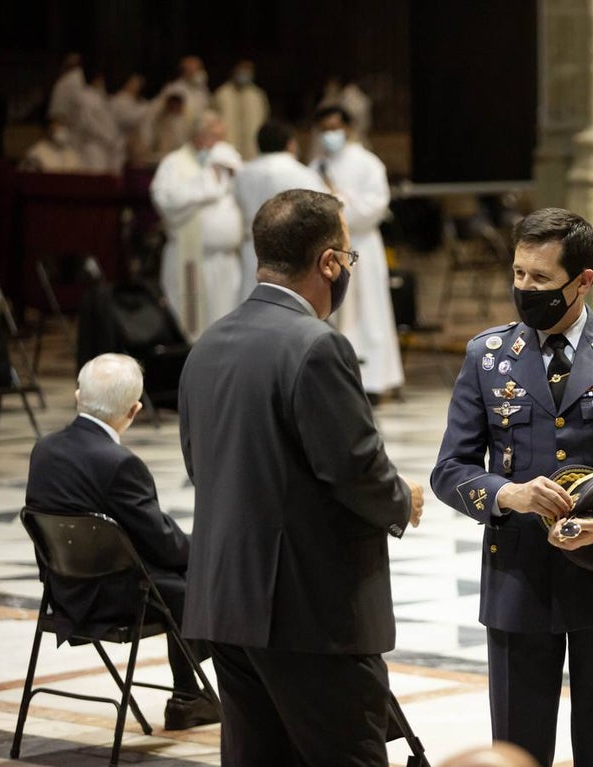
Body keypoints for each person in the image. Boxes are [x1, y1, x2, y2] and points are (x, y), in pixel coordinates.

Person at [430, 207, 593, 767]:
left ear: (583, 280)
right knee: (518, 748)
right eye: (519, 274)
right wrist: (509, 494)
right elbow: (450, 469)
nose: (525, 289)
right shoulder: (488, 356)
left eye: (541, 279)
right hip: (518, 578)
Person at [178, 188, 424, 766]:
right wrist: (400, 500)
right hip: (309, 612)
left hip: (226, 602)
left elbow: (200, 464)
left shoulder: (207, 343)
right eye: (349, 259)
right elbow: (354, 466)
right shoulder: (316, 345)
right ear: (330, 262)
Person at [25, 353, 218, 731]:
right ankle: (189, 695)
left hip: (61, 591)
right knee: (197, 580)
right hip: (110, 598)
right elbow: (162, 543)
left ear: (79, 396)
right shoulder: (117, 463)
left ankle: (190, 694)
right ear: (134, 411)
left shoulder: (44, 449)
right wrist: (207, 552)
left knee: (182, 576)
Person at [310, 105, 403, 400]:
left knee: (369, 312)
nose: (330, 135)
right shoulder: (316, 166)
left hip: (361, 244)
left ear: (348, 129)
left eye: (335, 128)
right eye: (324, 129)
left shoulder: (368, 163)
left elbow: (374, 207)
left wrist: (338, 205)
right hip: (329, 249)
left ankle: (373, 381)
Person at [150, 110, 244, 339]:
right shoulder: (174, 163)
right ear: (199, 137)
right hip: (188, 259)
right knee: (190, 327)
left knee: (226, 325)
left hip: (227, 262)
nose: (221, 144)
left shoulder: (228, 162)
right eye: (216, 137)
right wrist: (206, 182)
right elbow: (166, 201)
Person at [234, 119, 326, 302]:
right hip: (292, 254)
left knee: (252, 305)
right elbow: (323, 214)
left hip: (252, 249)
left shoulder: (242, 174)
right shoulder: (303, 174)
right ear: (291, 144)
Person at [213, 60, 269, 160]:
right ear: (234, 72)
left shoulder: (257, 95)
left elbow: (264, 120)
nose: (244, 75)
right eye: (242, 72)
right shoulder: (222, 94)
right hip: (228, 147)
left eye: (247, 72)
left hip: (252, 149)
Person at [159, 55, 211, 138]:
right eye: (194, 70)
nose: (198, 73)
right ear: (185, 71)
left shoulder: (202, 91)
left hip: (197, 134)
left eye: (199, 69)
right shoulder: (174, 89)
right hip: (177, 133)